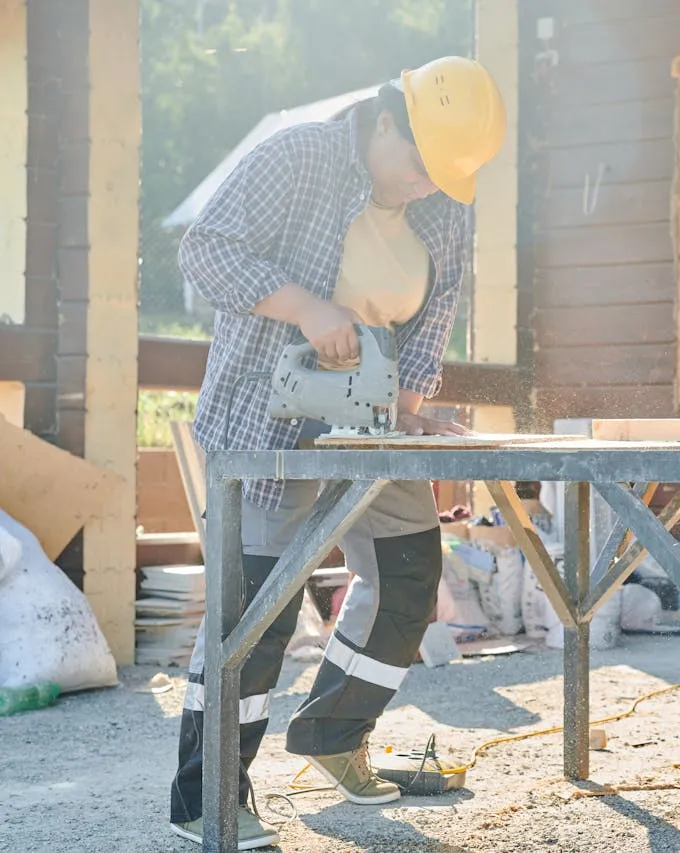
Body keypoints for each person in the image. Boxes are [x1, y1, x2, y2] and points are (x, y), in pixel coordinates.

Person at [166, 56, 506, 850]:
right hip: (265, 420)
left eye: (441, 175)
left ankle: (332, 733)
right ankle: (204, 795)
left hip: (372, 424)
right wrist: (306, 307)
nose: (425, 183)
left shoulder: (444, 207)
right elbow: (206, 252)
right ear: (386, 120)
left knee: (410, 577)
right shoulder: (297, 157)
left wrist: (414, 416)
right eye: (418, 164)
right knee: (256, 614)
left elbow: (429, 325)